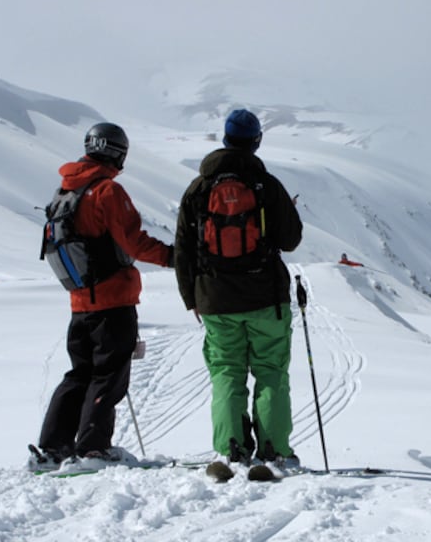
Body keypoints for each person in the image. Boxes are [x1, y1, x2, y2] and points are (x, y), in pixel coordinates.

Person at [32, 122, 174, 469]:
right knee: (108, 376)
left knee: (79, 373)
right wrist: (174, 256)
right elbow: (133, 242)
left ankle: (53, 448)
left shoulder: (66, 192)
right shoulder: (108, 191)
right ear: (117, 153)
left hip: (80, 302)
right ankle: (93, 448)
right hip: (112, 299)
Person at [174, 109, 303, 468]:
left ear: (225, 139)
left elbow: (183, 248)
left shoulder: (199, 189)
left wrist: (192, 299)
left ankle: (231, 449)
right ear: (256, 141)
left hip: (215, 300)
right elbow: (290, 240)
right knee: (271, 371)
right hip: (265, 298)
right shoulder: (266, 185)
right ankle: (275, 450)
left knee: (227, 372)